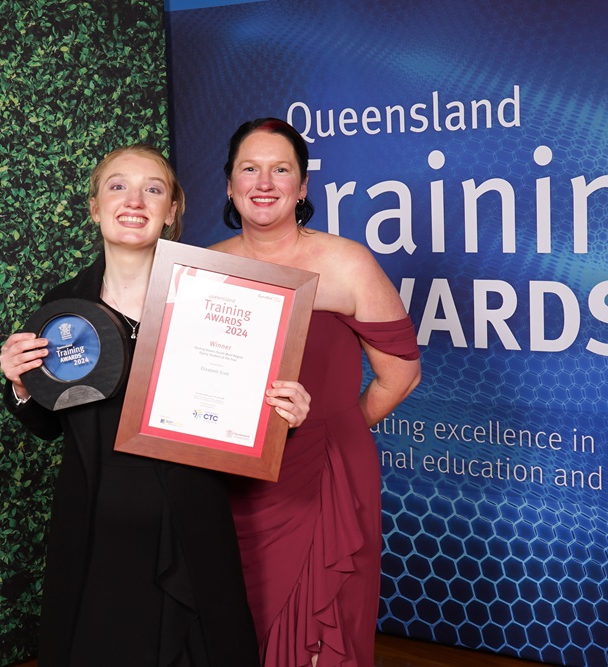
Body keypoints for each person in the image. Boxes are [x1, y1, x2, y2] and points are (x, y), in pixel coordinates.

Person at [0, 143, 310, 666]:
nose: (134, 200)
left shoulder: (223, 298)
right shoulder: (61, 307)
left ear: (172, 211)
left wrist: (285, 415)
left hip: (193, 526)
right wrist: (22, 387)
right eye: (117, 186)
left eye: (154, 189)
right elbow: (50, 427)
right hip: (98, 529)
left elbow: (247, 419)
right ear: (95, 207)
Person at [213, 118, 422, 667]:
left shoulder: (346, 261)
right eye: (249, 169)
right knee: (237, 620)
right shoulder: (206, 266)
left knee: (322, 637)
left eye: (281, 169)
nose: (265, 182)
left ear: (302, 186)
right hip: (233, 477)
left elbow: (400, 372)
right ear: (230, 185)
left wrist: (333, 427)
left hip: (325, 475)